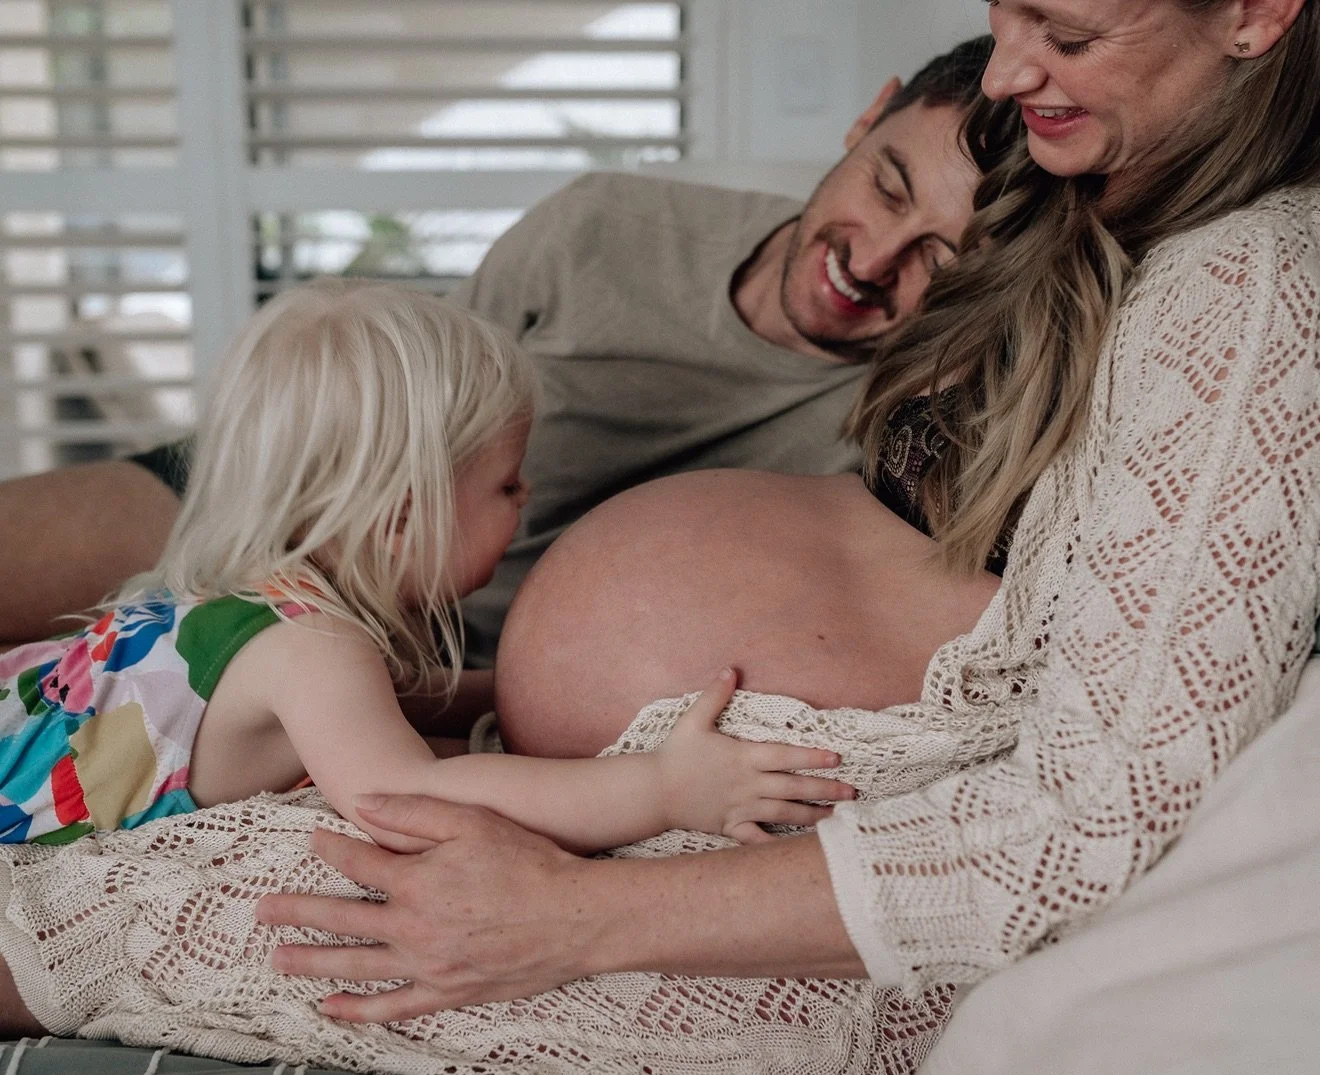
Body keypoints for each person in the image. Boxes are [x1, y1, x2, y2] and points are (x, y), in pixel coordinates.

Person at [0, 0, 1320, 1075]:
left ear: (1257, 14)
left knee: (82, 916)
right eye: (1011, 12)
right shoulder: (1115, 216)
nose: (1012, 69)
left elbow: (1098, 820)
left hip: (773, 916)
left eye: (1068, 32)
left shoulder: (1247, 280)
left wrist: (575, 919)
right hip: (634, 801)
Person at [0, 37, 995, 665]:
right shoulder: (603, 225)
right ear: (867, 117)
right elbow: (389, 415)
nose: (874, 259)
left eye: (939, 260)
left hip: (447, 652)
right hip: (288, 499)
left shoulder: (928, 418)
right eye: (887, 186)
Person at [0, 281, 850, 849]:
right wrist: (661, 790)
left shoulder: (266, 595)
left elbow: (404, 697)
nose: (527, 497)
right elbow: (406, 798)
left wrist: (560, 694)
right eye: (506, 483)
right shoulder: (311, 649)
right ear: (404, 515)